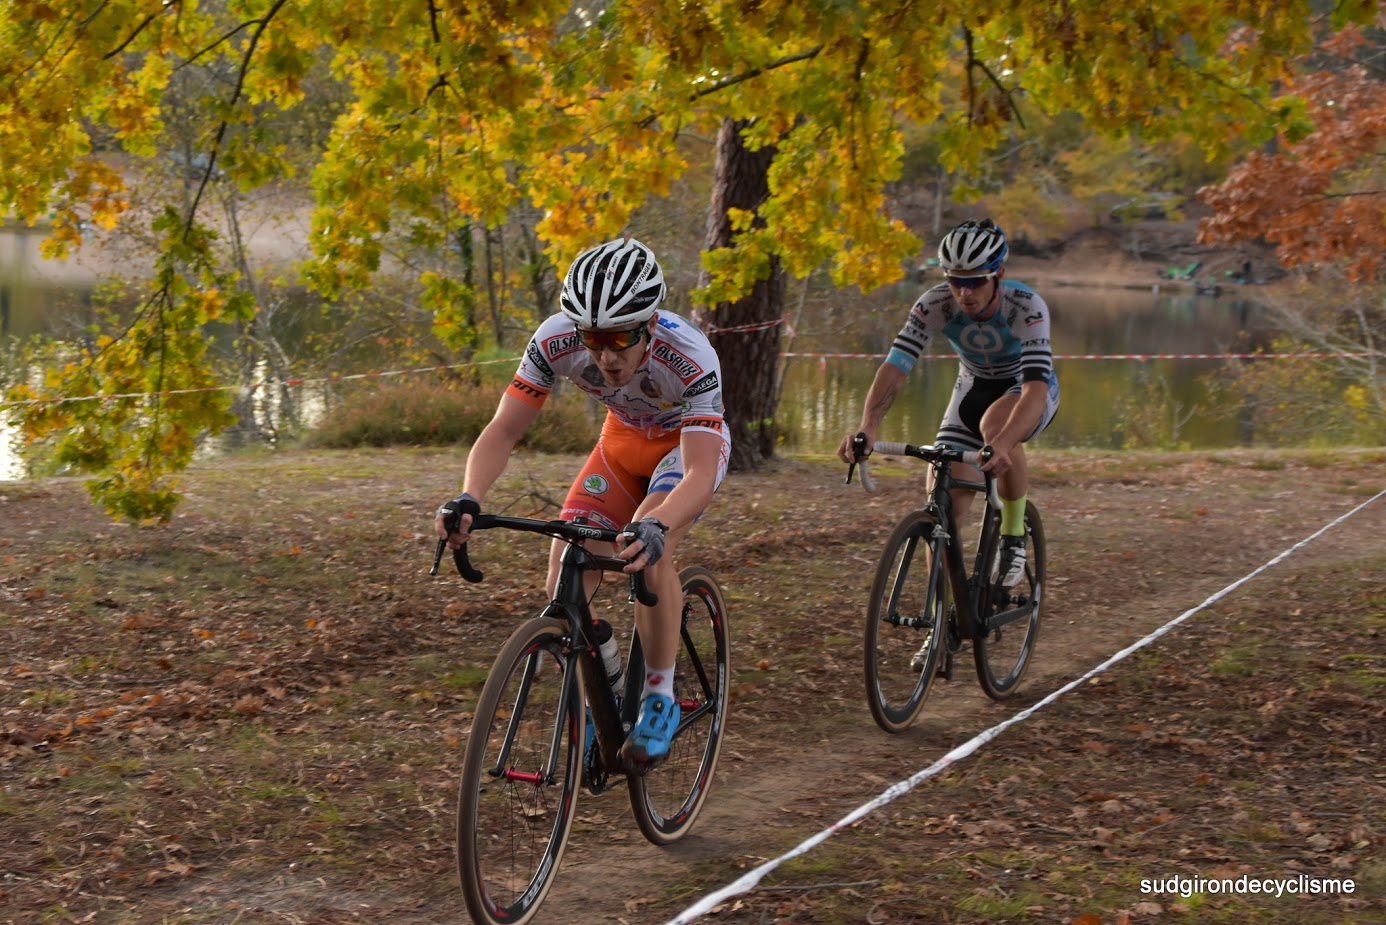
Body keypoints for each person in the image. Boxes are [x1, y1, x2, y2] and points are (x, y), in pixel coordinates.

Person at [436, 237, 730, 765]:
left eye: (621, 338)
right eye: (593, 339)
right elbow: (504, 430)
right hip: (618, 448)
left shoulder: (690, 356)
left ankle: (659, 695)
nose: (606, 356)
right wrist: (469, 497)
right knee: (563, 580)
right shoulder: (554, 341)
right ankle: (610, 687)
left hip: (682, 454)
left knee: (646, 543)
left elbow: (702, 472)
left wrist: (659, 525)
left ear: (650, 324)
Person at [838, 217, 1059, 597]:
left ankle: (1012, 533)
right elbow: (896, 366)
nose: (964, 292)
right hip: (971, 387)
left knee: (996, 427)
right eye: (956, 280)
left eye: (975, 281)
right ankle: (942, 623)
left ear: (999, 274)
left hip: (1024, 389)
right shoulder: (935, 303)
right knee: (942, 509)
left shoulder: (1026, 306)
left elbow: (1036, 389)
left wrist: (1005, 443)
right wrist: (869, 425)